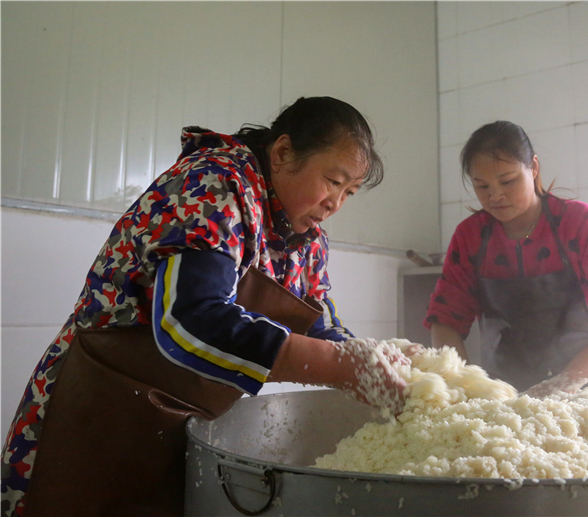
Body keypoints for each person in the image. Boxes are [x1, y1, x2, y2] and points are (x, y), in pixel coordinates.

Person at [1, 96, 410, 517]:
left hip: (180, 430)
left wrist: (385, 364)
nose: (336, 203)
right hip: (94, 414)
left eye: (350, 192)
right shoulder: (215, 182)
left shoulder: (307, 240)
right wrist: (337, 365)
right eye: (332, 180)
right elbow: (192, 318)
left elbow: (323, 329)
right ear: (284, 152)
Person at [425, 121, 588, 399]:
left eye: (508, 181)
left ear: (533, 167)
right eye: (481, 185)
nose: (495, 195)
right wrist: (463, 387)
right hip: (507, 401)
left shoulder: (578, 223)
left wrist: (564, 383)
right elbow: (446, 322)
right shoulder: (471, 237)